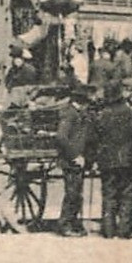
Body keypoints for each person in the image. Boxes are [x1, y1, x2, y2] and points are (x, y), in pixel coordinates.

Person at [91, 84, 132, 239]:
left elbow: (95, 138)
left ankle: (108, 231)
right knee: (128, 194)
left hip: (107, 160)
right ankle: (124, 230)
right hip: (128, 160)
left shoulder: (102, 116)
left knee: (109, 194)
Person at [55, 92, 91, 237]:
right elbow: (61, 137)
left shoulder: (76, 113)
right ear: (81, 102)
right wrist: (74, 156)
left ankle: (74, 222)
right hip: (70, 161)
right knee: (72, 193)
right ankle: (65, 225)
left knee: (76, 193)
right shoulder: (70, 114)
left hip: (76, 161)